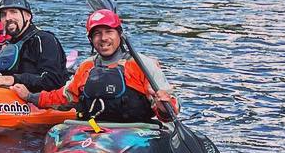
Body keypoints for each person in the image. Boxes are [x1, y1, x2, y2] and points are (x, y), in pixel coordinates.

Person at [26, 9, 179, 123]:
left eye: (108, 32)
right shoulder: (86, 66)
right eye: (97, 34)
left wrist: (163, 104)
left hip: (136, 132)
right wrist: (30, 97)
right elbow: (64, 98)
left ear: (119, 34)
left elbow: (170, 111)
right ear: (91, 40)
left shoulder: (142, 65)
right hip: (94, 131)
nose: (103, 38)